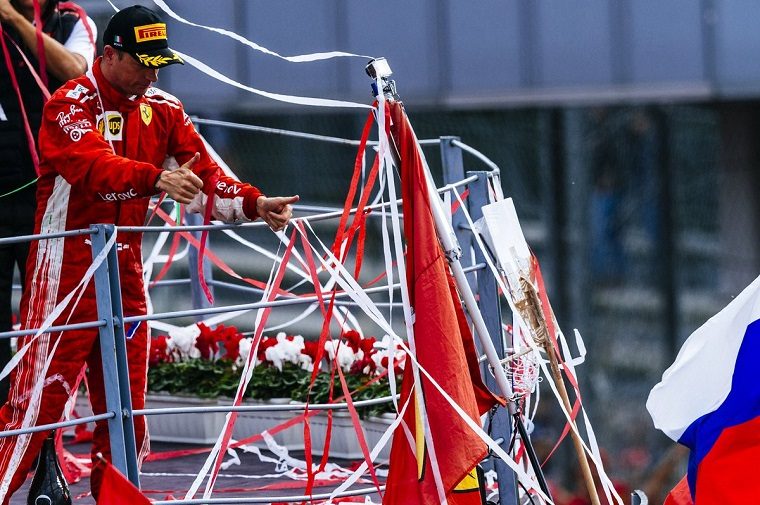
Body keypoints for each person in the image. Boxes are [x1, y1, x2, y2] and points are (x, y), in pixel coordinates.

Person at [0, 5, 299, 502]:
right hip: (64, 272)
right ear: (110, 55)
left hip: (124, 273)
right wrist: (155, 177)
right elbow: (93, 167)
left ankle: (118, 497)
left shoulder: (163, 108)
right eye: (144, 61)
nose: (153, 72)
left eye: (160, 62)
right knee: (36, 408)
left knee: (127, 408)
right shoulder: (67, 104)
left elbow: (204, 176)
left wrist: (253, 202)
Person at [0, 0, 95, 403]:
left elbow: (74, 70)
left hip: (48, 191)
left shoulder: (72, 21)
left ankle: (40, 423)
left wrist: (12, 19)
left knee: (47, 309)